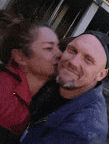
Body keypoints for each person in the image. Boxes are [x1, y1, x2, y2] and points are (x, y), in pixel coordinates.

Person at [20, 31, 109, 144]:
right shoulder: (53, 81)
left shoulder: (84, 132)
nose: (73, 62)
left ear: (101, 74)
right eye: (72, 50)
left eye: (88, 60)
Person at [0, 10, 62, 143]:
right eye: (48, 48)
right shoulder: (4, 94)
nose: (60, 54)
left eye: (58, 47)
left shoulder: (29, 97)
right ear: (20, 57)